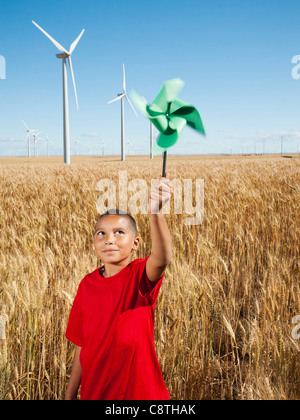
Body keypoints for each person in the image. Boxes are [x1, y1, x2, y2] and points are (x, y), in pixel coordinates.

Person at [65, 172, 174, 400]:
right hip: (95, 393)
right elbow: (82, 347)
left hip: (139, 395)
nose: (109, 239)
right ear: (94, 243)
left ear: (135, 244)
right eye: (101, 234)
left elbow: (162, 258)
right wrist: (69, 395)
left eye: (119, 233)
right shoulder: (87, 285)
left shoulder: (140, 276)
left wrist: (156, 213)